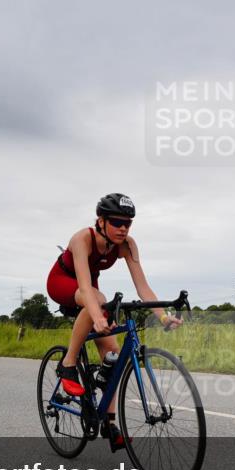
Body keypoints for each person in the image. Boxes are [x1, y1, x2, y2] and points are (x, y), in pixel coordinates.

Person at [46, 193, 182, 450]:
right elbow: (85, 287)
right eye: (117, 222)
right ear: (101, 221)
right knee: (97, 298)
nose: (123, 228)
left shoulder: (127, 245)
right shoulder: (82, 238)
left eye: (128, 223)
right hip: (63, 282)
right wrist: (97, 316)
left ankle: (109, 422)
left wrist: (163, 316)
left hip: (90, 289)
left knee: (114, 354)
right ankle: (68, 363)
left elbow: (143, 287)